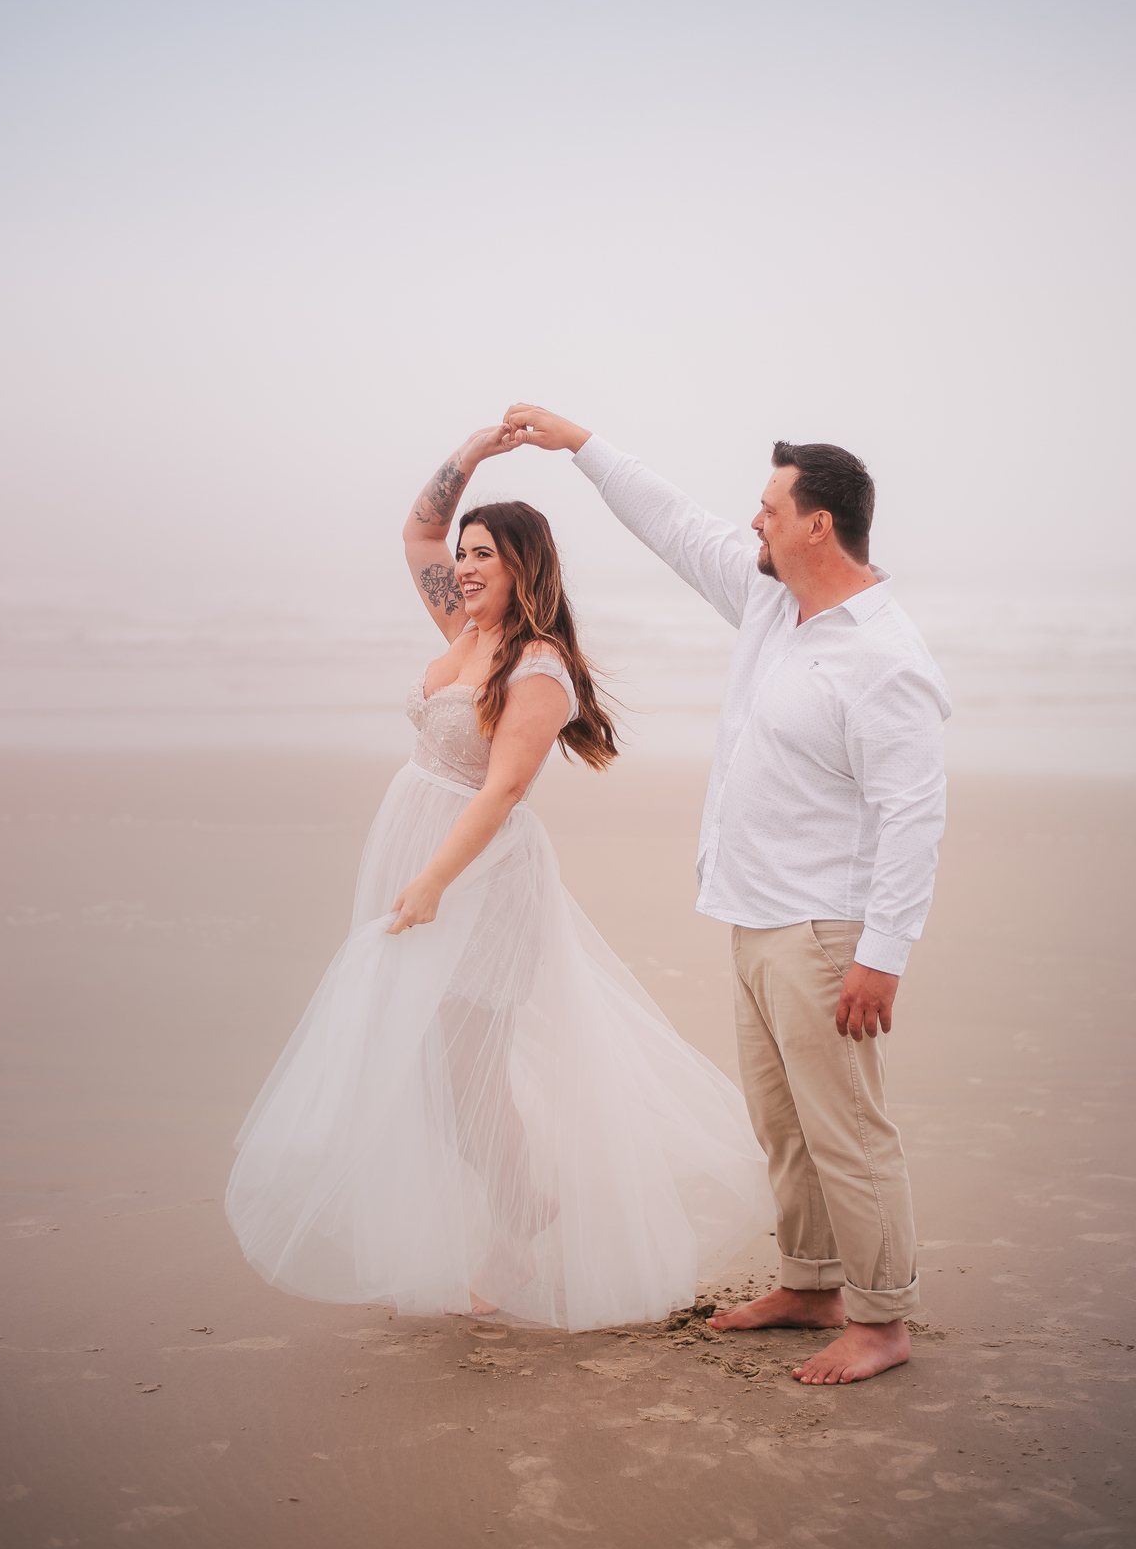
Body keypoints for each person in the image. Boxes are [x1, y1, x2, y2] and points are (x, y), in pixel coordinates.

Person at [225, 424, 774, 1331]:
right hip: (424, 858)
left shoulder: (537, 666)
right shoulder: (464, 626)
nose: (465, 566)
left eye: (485, 554)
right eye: (467, 552)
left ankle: (519, 1219)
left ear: (524, 566)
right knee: (428, 1062)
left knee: (459, 1065)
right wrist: (474, 453)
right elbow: (418, 533)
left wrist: (434, 881)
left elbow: (506, 789)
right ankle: (522, 1203)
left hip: (479, 878)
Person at [503, 404, 951, 1383]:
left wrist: (884, 952)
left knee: (847, 1131)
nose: (753, 521)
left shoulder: (885, 657)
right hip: (754, 914)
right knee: (784, 1126)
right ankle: (812, 1284)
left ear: (816, 525)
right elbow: (671, 522)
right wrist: (580, 445)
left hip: (828, 931)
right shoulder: (768, 602)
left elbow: (914, 815)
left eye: (769, 508)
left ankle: (882, 1320)